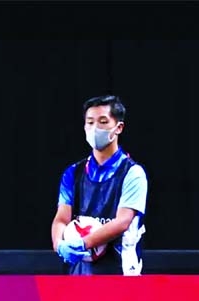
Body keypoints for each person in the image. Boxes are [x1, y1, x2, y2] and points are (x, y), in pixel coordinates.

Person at [51, 95, 149, 275]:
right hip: (79, 274)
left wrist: (84, 242)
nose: (95, 128)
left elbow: (122, 222)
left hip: (121, 273)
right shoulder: (73, 173)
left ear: (118, 127)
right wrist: (59, 244)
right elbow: (61, 218)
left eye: (103, 122)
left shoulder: (133, 174)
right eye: (90, 122)